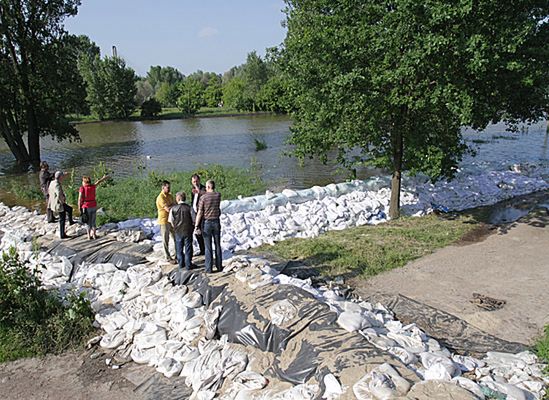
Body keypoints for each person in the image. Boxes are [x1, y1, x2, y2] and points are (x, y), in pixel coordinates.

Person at [195, 180, 222, 273]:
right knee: (217, 245)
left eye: (206, 187)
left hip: (207, 223)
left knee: (208, 246)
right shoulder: (218, 195)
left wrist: (196, 225)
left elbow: (200, 212)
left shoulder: (203, 198)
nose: (205, 188)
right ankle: (219, 266)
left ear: (208, 187)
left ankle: (209, 268)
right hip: (216, 222)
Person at [78, 174, 109, 240]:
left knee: (88, 222)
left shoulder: (82, 188)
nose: (82, 182)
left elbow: (79, 198)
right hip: (93, 205)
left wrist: (79, 207)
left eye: (82, 181)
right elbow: (98, 182)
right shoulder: (92, 186)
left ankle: (89, 236)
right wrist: (104, 178)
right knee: (93, 221)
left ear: (84, 182)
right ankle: (94, 235)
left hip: (86, 206)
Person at [168, 191, 194, 271]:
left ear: (178, 198)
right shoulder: (189, 208)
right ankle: (188, 265)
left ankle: (181, 264)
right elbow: (194, 219)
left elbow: (171, 220)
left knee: (179, 248)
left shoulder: (173, 209)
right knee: (188, 248)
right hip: (188, 230)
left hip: (178, 231)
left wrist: (175, 226)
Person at [48, 171, 75, 239]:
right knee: (62, 219)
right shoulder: (57, 184)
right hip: (59, 204)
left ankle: (71, 222)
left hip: (54, 203)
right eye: (62, 176)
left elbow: (50, 191)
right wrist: (62, 201)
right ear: (60, 177)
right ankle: (62, 234)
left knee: (69, 209)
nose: (63, 177)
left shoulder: (52, 182)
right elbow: (59, 194)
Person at [156, 180, 176, 262]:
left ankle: (176, 254)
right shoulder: (161, 197)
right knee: (165, 239)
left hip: (171, 220)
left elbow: (174, 204)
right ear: (163, 187)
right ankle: (168, 257)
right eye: (167, 188)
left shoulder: (170, 196)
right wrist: (172, 206)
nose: (169, 189)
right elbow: (167, 209)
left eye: (169, 187)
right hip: (164, 220)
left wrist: (172, 206)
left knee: (175, 237)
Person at [190, 173, 206, 256]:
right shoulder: (193, 190)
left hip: (202, 214)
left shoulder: (203, 189)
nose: (195, 183)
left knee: (202, 231)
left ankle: (205, 249)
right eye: (193, 182)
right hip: (195, 213)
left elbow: (206, 195)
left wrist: (199, 191)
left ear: (199, 181)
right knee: (197, 232)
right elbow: (193, 201)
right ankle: (201, 248)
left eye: (196, 181)